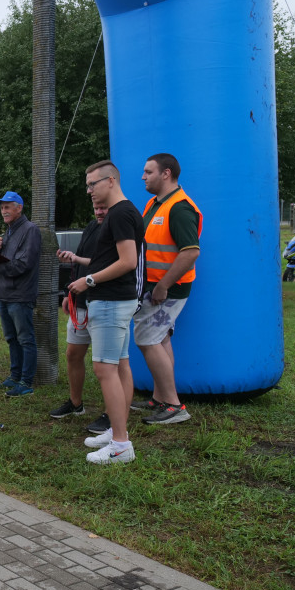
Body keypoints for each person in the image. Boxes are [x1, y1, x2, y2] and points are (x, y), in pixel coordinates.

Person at [67, 160, 145, 465]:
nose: (89, 191)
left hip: (111, 302)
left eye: (92, 184)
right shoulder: (118, 213)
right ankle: (117, 429)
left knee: (105, 370)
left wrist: (88, 281)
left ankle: (121, 444)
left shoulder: (122, 213)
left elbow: (128, 261)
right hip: (113, 301)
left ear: (111, 181)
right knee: (120, 365)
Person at [132, 153, 201, 425]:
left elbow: (191, 252)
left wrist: (163, 285)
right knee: (159, 339)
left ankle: (174, 406)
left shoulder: (180, 208)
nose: (143, 177)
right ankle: (161, 398)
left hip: (167, 290)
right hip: (155, 288)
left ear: (166, 173)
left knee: (147, 339)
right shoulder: (154, 203)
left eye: (148, 172)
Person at [0, 191, 41, 397]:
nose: (3, 210)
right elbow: (7, 260)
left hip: (21, 295)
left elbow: (24, 264)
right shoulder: (9, 231)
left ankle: (26, 381)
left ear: (19, 208)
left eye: (8, 206)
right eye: (2, 207)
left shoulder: (30, 230)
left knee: (25, 339)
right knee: (11, 338)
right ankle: (14, 376)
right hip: (5, 294)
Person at [51, 204, 109, 423]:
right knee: (73, 354)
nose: (99, 211)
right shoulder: (91, 227)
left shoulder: (117, 228)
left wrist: (75, 258)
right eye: (95, 208)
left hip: (105, 302)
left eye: (103, 207)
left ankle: (111, 413)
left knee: (107, 364)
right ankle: (75, 404)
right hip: (80, 303)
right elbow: (80, 264)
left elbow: (109, 264)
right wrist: (69, 292)